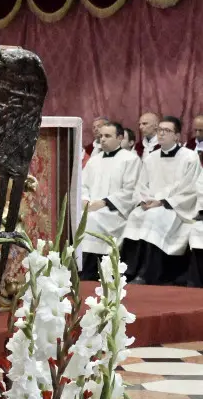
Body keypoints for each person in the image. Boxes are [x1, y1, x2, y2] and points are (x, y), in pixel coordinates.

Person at [122, 116, 200, 284]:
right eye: (160, 130)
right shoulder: (151, 158)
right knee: (135, 216)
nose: (162, 134)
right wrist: (144, 200)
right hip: (152, 205)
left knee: (155, 217)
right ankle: (129, 271)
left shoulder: (189, 157)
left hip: (176, 209)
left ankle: (148, 274)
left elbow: (190, 190)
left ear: (177, 136)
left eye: (167, 131)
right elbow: (141, 185)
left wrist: (163, 202)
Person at [78, 122, 141, 281]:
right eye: (100, 136)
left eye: (107, 136)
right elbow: (83, 185)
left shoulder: (130, 159)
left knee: (92, 219)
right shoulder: (94, 160)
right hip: (92, 207)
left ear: (120, 138)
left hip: (116, 211)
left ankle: (91, 269)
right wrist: (85, 200)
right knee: (78, 218)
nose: (102, 140)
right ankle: (78, 267)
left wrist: (105, 202)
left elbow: (130, 190)